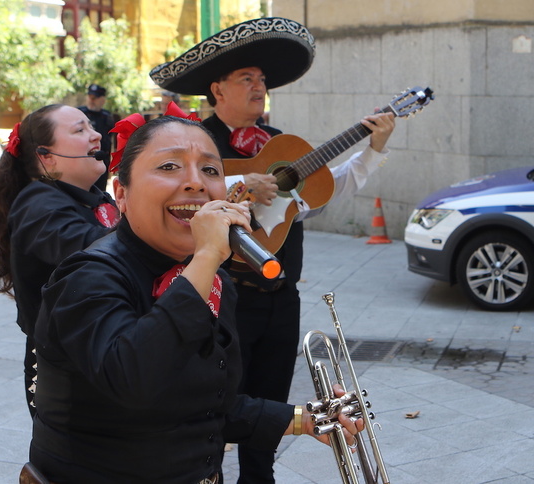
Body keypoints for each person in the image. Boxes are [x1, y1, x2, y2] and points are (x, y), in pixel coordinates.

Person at [28, 113, 362, 483]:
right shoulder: (87, 276)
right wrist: (205, 257)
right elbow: (134, 381)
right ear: (121, 194)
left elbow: (205, 404)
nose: (195, 183)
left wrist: (309, 419)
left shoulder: (215, 281)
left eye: (211, 170)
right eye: (169, 166)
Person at [150, 17, 395, 483]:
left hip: (282, 295)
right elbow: (180, 199)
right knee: (218, 401)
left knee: (271, 403)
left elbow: (325, 191)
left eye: (262, 80)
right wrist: (242, 182)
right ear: (217, 90)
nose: (259, 87)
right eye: (247, 79)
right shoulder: (193, 142)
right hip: (223, 295)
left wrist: (374, 150)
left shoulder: (281, 143)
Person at [0, 104, 118, 417]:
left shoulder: (95, 199)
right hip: (67, 378)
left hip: (101, 360)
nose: (96, 135)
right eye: (80, 130)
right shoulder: (39, 203)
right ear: (46, 156)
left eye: (91, 126)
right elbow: (92, 249)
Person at [78, 83, 115, 191]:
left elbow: (110, 141)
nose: (92, 100)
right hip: (83, 159)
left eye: (96, 97)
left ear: (103, 100)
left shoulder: (107, 116)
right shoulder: (80, 114)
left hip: (101, 160)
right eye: (90, 96)